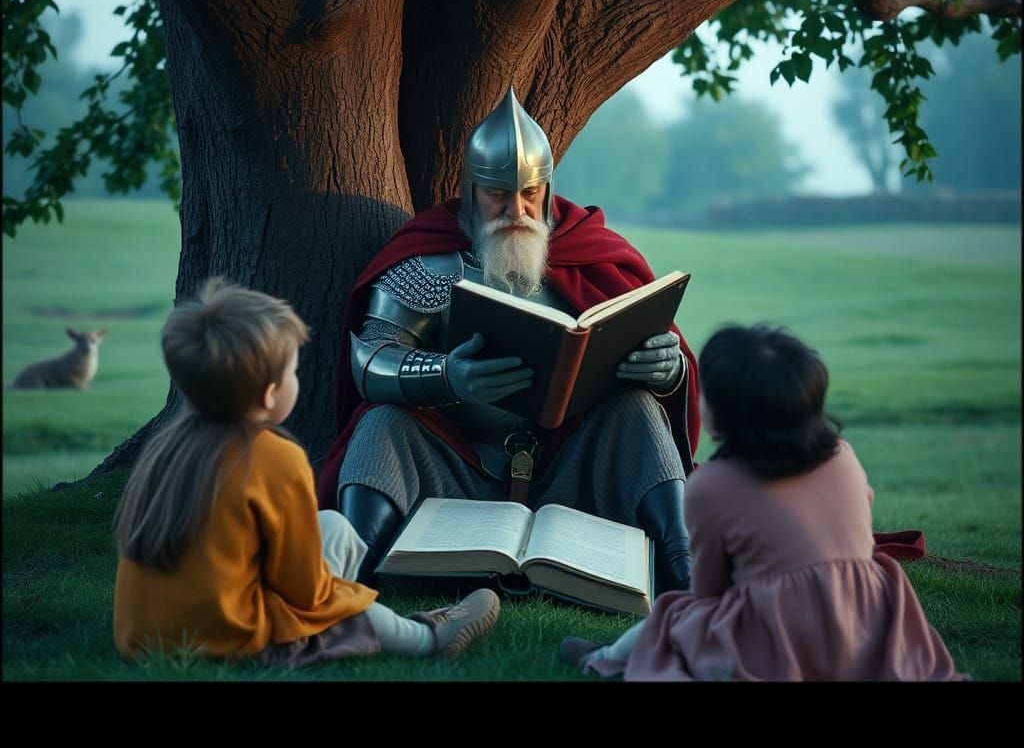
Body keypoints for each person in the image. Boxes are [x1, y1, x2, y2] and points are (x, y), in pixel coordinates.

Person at [316, 87, 700, 593]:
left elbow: (666, 355)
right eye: (498, 193)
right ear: (471, 190)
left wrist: (666, 369)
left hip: (570, 474)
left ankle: (684, 573)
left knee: (637, 409)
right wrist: (447, 375)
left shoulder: (593, 259)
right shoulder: (430, 265)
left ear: (547, 188)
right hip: (456, 472)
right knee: (381, 424)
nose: (515, 209)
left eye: (529, 193)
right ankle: (349, 580)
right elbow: (369, 361)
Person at [112, 279, 500, 668]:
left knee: (334, 525)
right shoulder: (274, 457)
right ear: (268, 393)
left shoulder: (165, 449)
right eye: (292, 371)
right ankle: (427, 636)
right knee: (338, 603)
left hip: (142, 638)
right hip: (237, 641)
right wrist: (344, 600)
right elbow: (306, 592)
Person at [559, 324, 966, 681]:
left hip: (779, 632)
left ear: (725, 414)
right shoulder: (842, 455)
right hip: (866, 618)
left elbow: (708, 589)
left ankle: (605, 658)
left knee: (674, 615)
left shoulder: (713, 485)